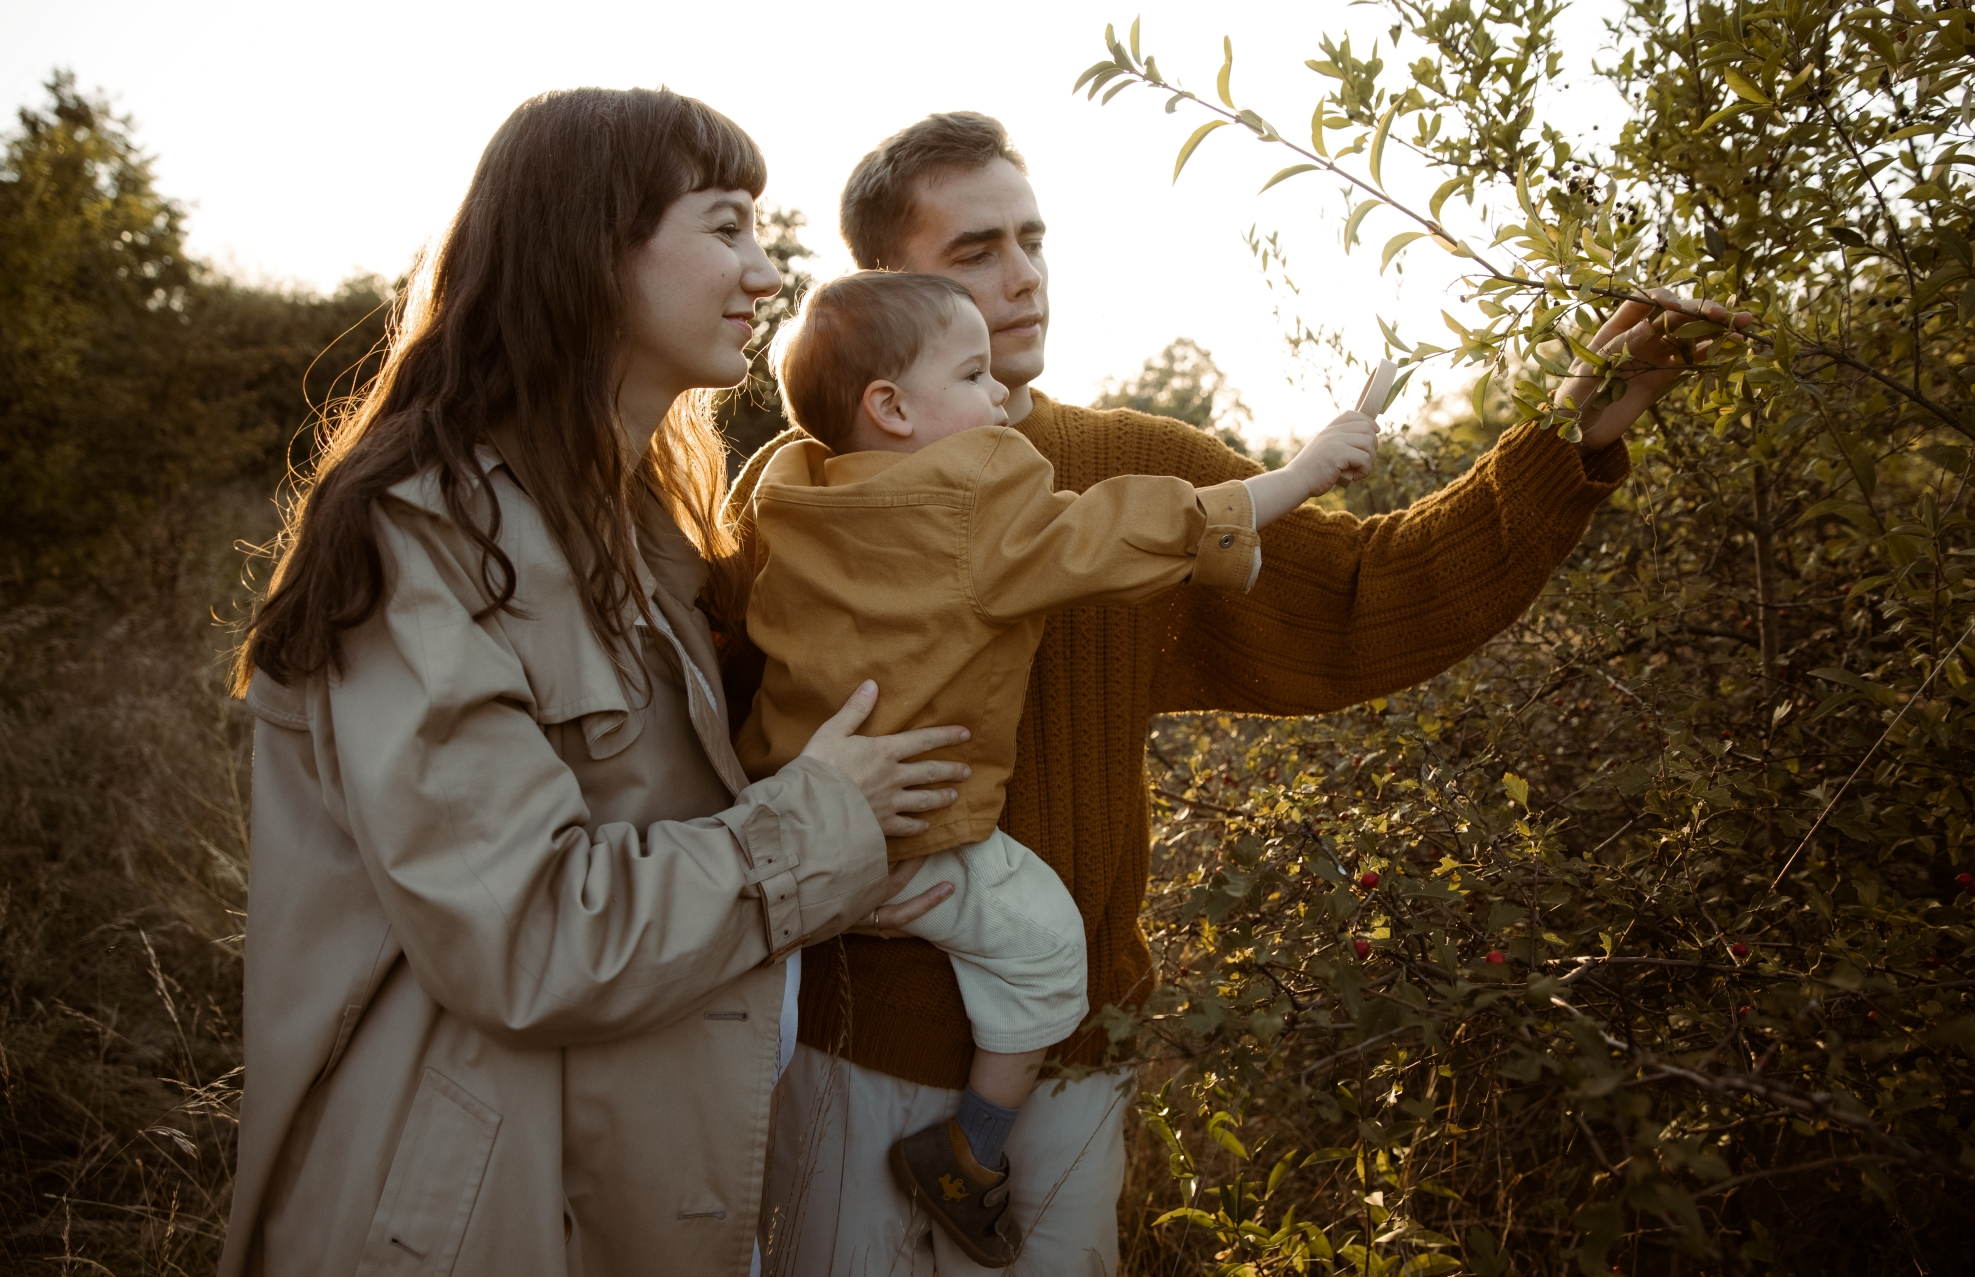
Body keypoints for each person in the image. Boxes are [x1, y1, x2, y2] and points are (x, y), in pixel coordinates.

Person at [731, 112, 1750, 1276]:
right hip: (851, 1037)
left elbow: (1362, 592)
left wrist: (1564, 435)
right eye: (974, 251)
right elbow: (703, 740)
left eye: (1031, 237)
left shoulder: (1134, 470)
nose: (1021, 278)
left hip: (1060, 1063)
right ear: (882, 292)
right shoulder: (795, 493)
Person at [217, 87, 971, 1277]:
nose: (767, 273)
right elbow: (525, 934)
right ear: (589, 248)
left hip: (621, 1182)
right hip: (467, 1213)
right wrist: (822, 821)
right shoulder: (422, 534)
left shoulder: (643, 531)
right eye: (725, 227)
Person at [734, 270, 1379, 1267]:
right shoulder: (970, 512)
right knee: (1046, 948)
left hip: (789, 812)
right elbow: (1129, 528)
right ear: (891, 407)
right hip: (912, 840)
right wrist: (1297, 474)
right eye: (974, 374)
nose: (1000, 397)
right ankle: (964, 1150)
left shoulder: (798, 499)